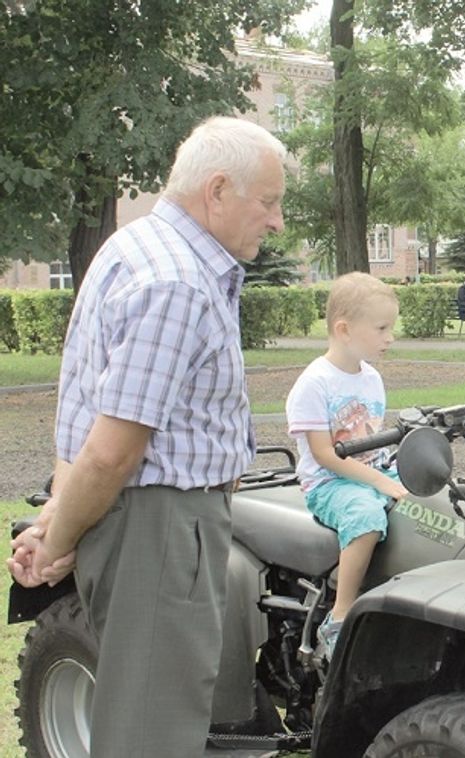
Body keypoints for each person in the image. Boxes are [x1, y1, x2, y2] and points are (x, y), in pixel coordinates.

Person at [5, 116, 286, 756]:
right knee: (152, 734)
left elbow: (81, 402)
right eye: (268, 202)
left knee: (141, 713)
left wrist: (58, 519)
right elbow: (111, 449)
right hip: (162, 528)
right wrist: (62, 536)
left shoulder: (134, 246)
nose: (276, 222)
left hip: (146, 523)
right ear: (218, 190)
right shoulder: (179, 282)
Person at [285, 273, 409, 657]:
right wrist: (381, 483)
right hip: (329, 483)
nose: (390, 337)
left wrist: (391, 477)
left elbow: (374, 439)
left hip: (371, 471)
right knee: (366, 515)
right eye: (381, 328)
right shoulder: (315, 383)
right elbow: (324, 455)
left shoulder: (370, 377)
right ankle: (340, 616)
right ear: (344, 329)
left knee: (429, 502)